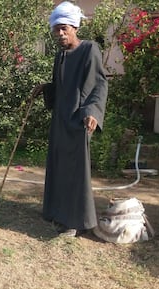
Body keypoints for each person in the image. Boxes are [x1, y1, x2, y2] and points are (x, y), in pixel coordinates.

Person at [31, 1, 108, 237]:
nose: (60, 33)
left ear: (75, 27)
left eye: (64, 28)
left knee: (75, 171)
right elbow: (60, 86)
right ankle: (57, 212)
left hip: (78, 121)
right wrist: (45, 88)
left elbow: (100, 83)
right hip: (60, 121)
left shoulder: (90, 49)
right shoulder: (60, 56)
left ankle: (75, 222)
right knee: (58, 167)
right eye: (56, 29)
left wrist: (93, 112)